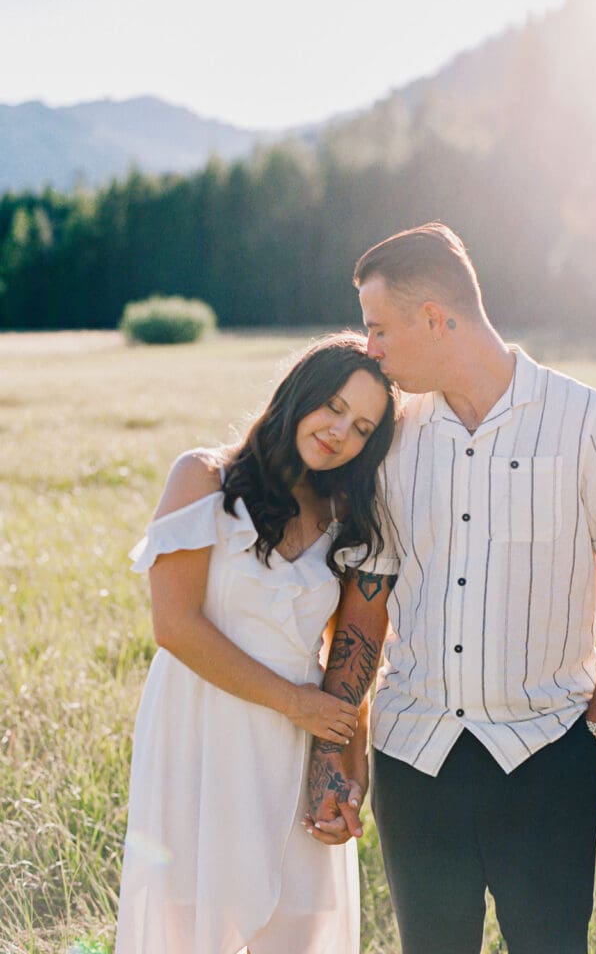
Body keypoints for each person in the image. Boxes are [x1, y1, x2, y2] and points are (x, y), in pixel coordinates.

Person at [305, 224, 596, 954]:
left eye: (380, 328)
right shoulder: (392, 441)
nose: (368, 347)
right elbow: (365, 616)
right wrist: (333, 757)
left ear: (436, 318)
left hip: (548, 762)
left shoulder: (588, 423)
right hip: (415, 762)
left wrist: (593, 740)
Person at [115, 332, 397, 954]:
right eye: (334, 406)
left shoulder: (343, 513)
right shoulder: (203, 478)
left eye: (361, 427)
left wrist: (349, 752)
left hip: (293, 745)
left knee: (300, 924)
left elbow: (348, 643)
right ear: (300, 392)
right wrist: (297, 704)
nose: (339, 432)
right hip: (201, 732)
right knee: (190, 923)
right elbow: (176, 626)